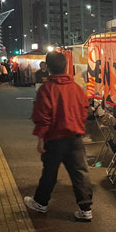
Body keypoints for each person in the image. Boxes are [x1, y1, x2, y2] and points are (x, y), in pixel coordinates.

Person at [23, 52, 93, 221]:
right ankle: (86, 209)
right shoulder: (76, 87)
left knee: (50, 172)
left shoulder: (46, 89)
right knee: (80, 172)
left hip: (54, 139)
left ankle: (41, 203)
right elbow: (85, 109)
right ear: (66, 66)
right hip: (75, 137)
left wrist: (41, 138)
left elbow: (43, 117)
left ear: (47, 67)